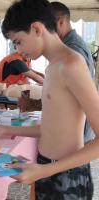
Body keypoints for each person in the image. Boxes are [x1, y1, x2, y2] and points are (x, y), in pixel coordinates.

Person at [0, 0, 98, 199]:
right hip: (46, 167)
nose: (18, 49)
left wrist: (45, 171)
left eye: (18, 41)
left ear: (36, 28)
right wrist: (7, 130)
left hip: (66, 174)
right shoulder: (52, 66)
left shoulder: (72, 64)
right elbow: (52, 127)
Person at [51, 1, 96, 144]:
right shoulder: (68, 46)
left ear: (61, 22)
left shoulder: (73, 51)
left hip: (77, 136)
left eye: (48, 28)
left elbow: (73, 99)